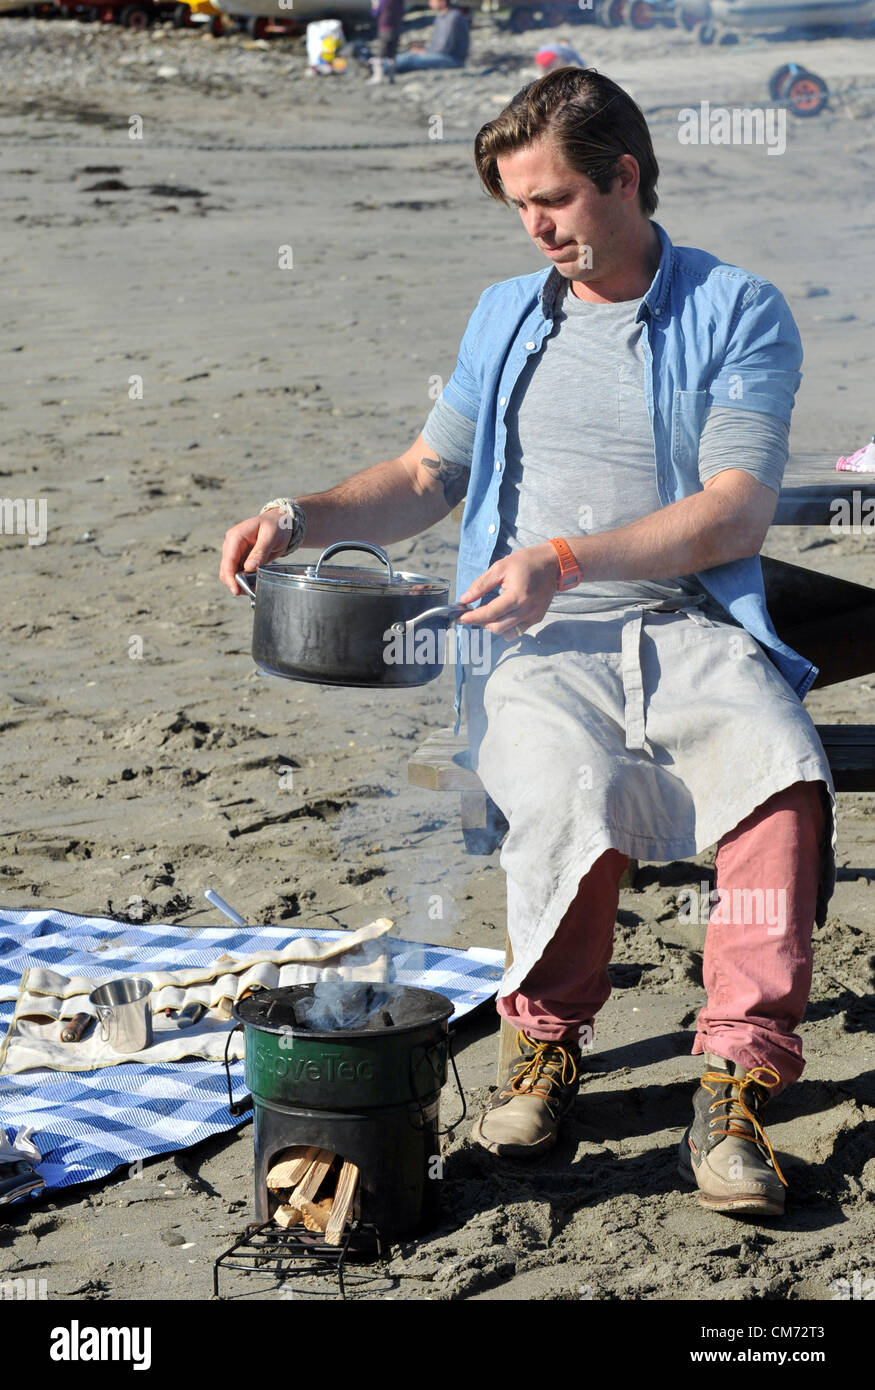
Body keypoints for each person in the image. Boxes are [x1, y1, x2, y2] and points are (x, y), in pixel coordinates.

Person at [220, 67, 836, 1220]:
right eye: (516, 206)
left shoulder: (735, 308)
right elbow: (422, 478)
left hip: (686, 622)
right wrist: (296, 516)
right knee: (564, 787)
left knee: (778, 779)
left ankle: (735, 1079)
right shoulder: (506, 315)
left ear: (625, 177)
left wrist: (564, 558)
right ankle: (544, 1051)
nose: (535, 227)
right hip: (529, 651)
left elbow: (735, 510)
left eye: (552, 199)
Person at [393, 0, 469, 73]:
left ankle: (386, 67)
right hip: (439, 54)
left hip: (452, 59)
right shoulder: (440, 17)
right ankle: (385, 63)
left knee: (411, 59)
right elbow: (435, 43)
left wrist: (425, 52)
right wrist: (423, 50)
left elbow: (445, 47)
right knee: (409, 55)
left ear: (442, 1)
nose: (430, 2)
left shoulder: (454, 17)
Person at [367, 0, 405, 83]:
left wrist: (374, 6)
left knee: (381, 52)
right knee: (392, 53)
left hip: (385, 26)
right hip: (397, 27)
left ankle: (378, 77)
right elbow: (402, 11)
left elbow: (375, 13)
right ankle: (391, 77)